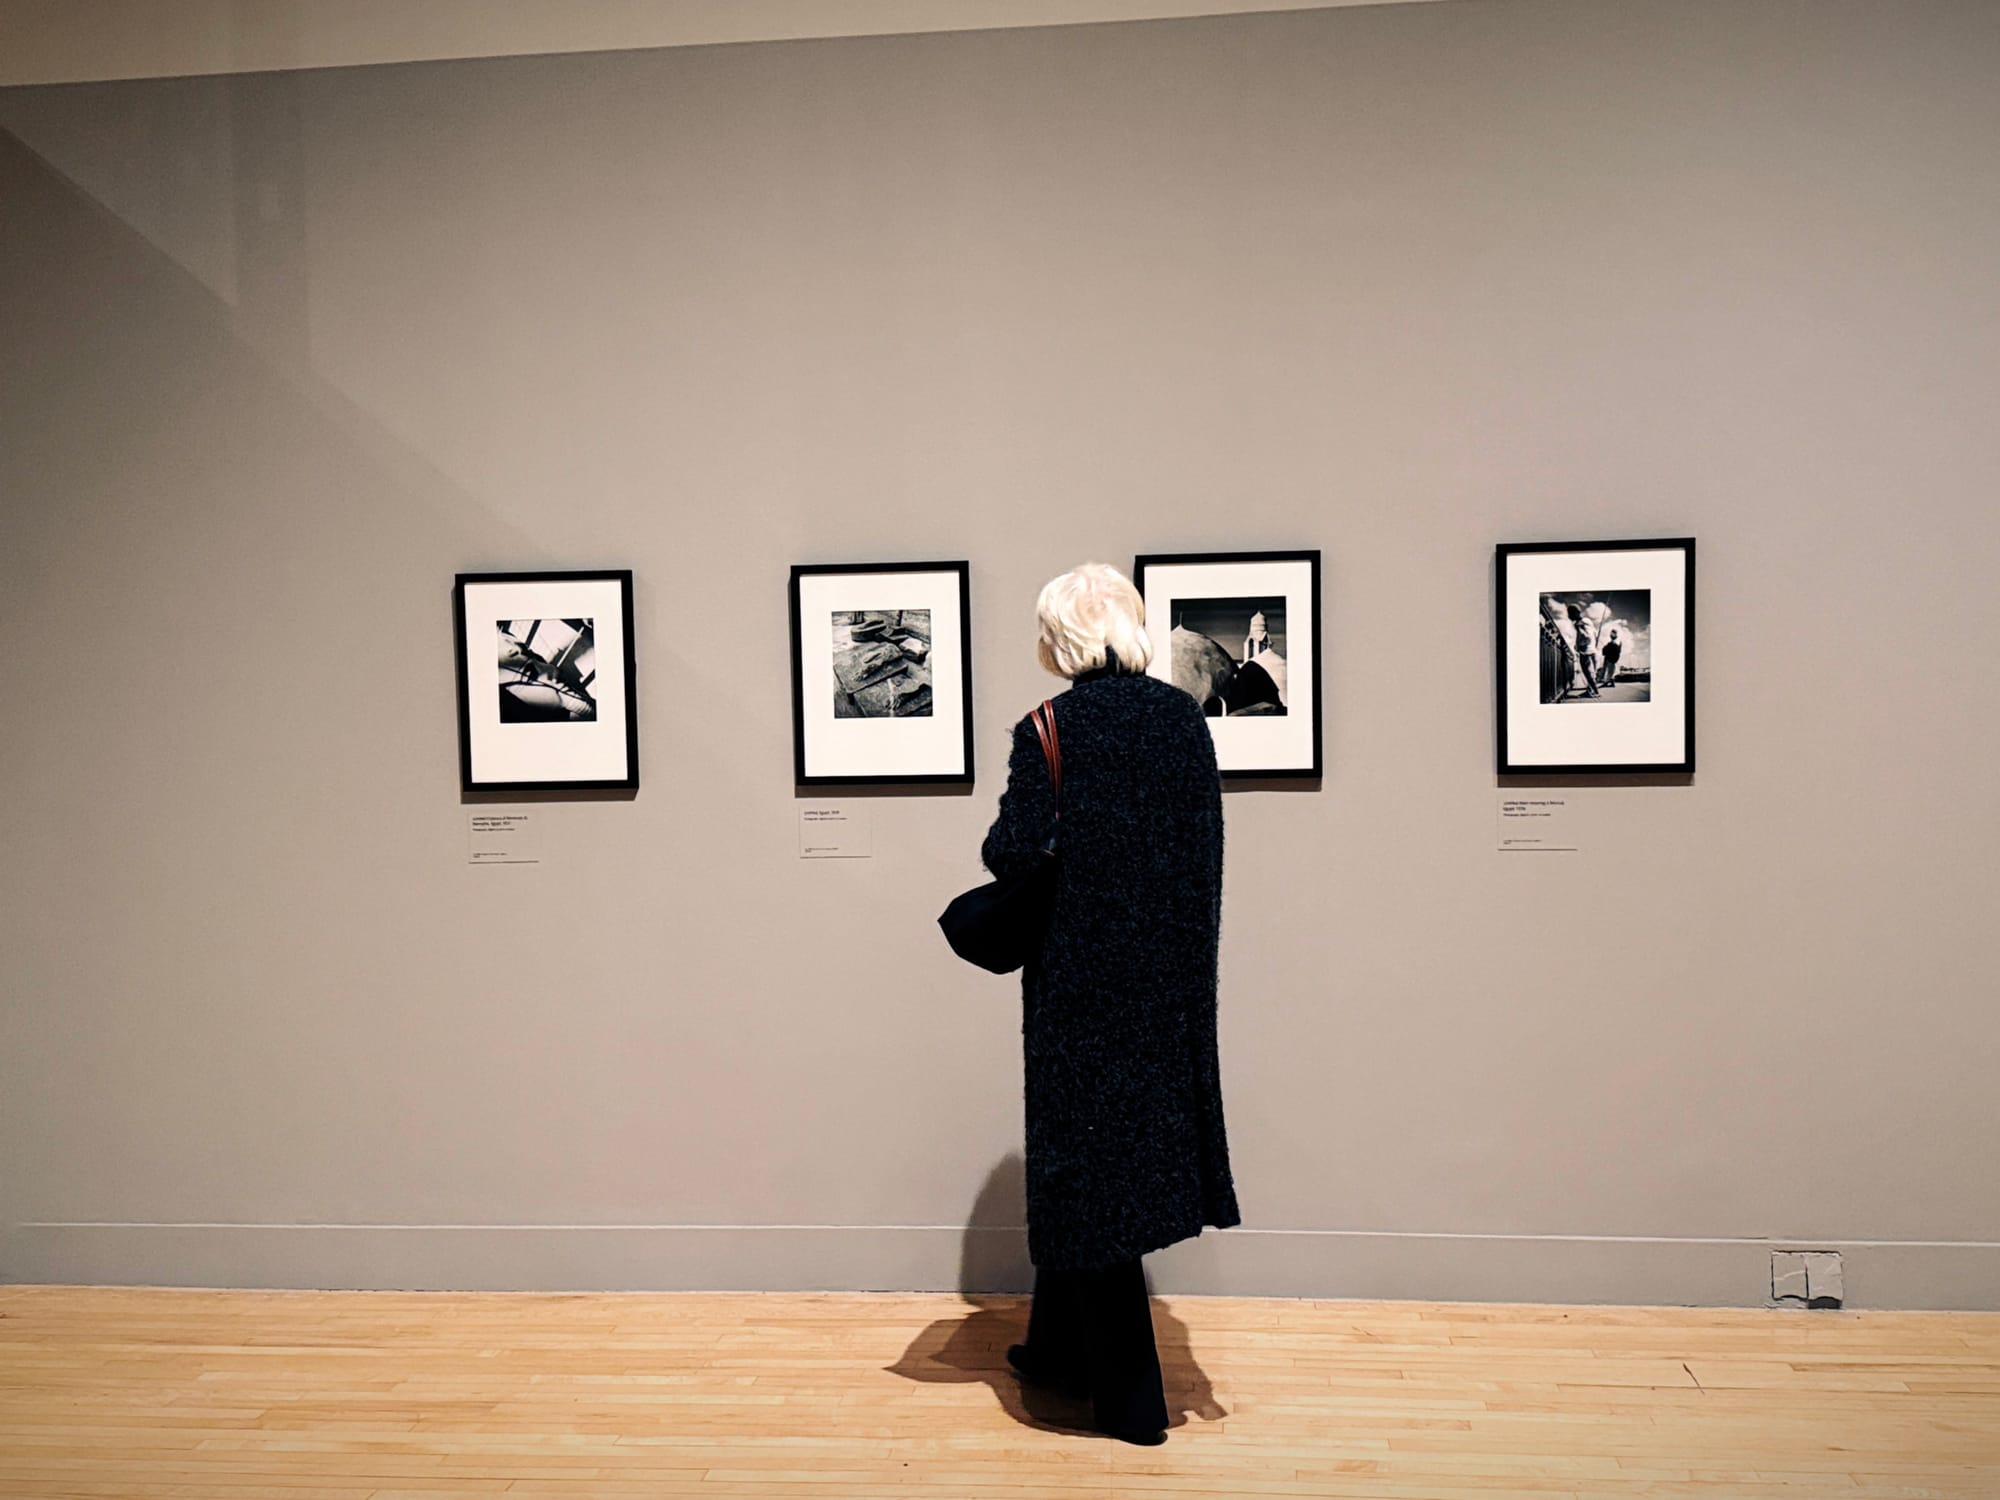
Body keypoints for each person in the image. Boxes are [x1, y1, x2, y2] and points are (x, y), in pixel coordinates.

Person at [979, 562, 1241, 1446]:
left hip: (1079, 990)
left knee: (1084, 1174)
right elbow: (1203, 853)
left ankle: (1133, 1405)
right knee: (1094, 1171)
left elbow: (1014, 853)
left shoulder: (1048, 727)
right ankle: (1054, 1350)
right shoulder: (1182, 722)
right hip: (1167, 984)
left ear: (1061, 638)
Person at [1566, 603, 1601, 698]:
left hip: (1585, 652)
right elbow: (1593, 635)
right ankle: (1590, 691)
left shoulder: (1579, 623)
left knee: (1588, 673)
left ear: (1575, 613)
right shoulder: (1588, 621)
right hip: (1593, 650)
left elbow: (1586, 637)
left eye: (1569, 613)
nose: (1568, 616)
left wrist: (1579, 646)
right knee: (1592, 672)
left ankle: (1596, 692)